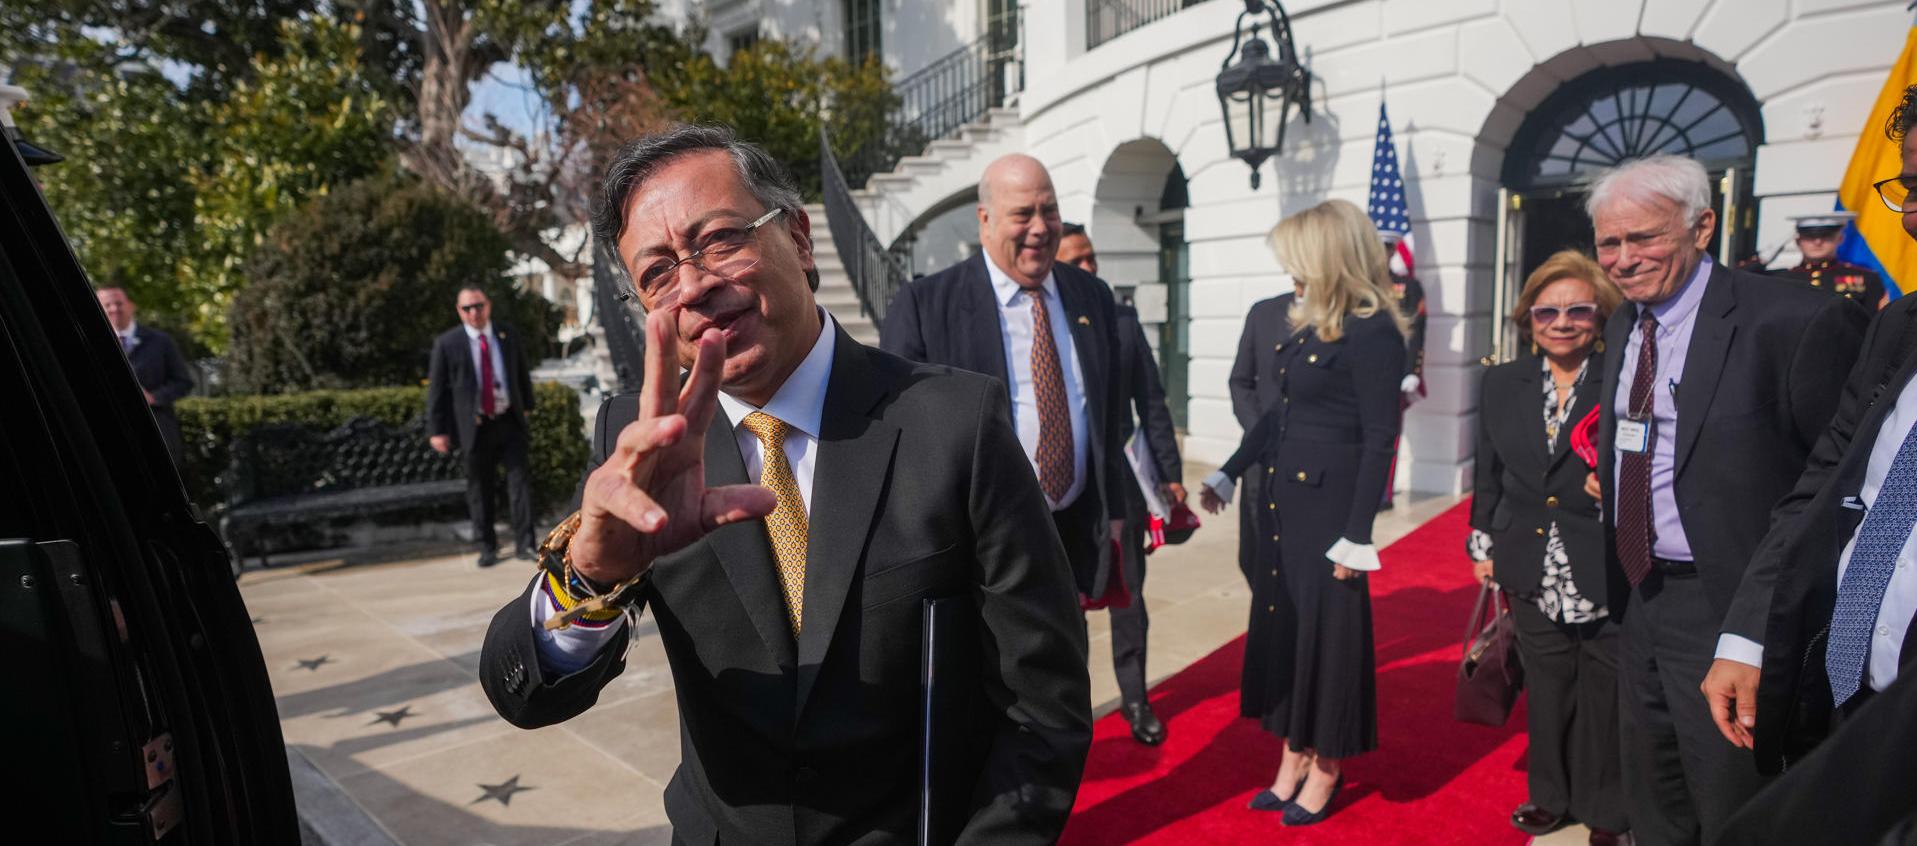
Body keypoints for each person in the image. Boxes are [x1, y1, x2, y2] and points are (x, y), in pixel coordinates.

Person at [476, 125, 1092, 845]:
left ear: (798, 238)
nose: (694, 284)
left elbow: (1042, 706)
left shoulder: (955, 422)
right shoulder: (639, 438)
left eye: (719, 240)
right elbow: (525, 696)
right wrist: (589, 573)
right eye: (658, 273)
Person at [1586, 154, 1869, 845]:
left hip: (1736, 609)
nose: (1623, 259)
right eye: (1608, 243)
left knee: (1736, 808)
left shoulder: (1796, 320)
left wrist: (1764, 629)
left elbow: (1840, 486)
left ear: (1702, 226)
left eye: (1643, 237)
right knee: (1655, 801)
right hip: (1640, 595)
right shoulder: (1625, 323)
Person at [1701, 94, 1917, 843]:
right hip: (1840, 690)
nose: (1911, 215)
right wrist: (1749, 636)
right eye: (1909, 188)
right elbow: (1823, 489)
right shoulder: (1899, 325)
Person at [1197, 198, 1408, 827]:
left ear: (1328, 255)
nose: (1290, 270)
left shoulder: (1372, 331)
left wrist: (1358, 536)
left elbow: (1381, 438)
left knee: (1329, 638)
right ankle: (1293, 749)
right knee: (1288, 631)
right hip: (1283, 502)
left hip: (1331, 512)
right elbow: (1275, 418)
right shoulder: (1306, 324)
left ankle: (1327, 764)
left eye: (1298, 257)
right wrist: (1229, 471)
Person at [880, 155, 1130, 685]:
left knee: (1065, 676)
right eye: (1023, 214)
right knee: (990, 684)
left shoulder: (1091, 295)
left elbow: (1108, 413)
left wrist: (1115, 509)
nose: (1040, 228)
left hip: (1070, 530)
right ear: (985, 219)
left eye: (1050, 211)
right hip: (978, 543)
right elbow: (898, 441)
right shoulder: (926, 304)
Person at [1467, 250, 1628, 845]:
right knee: (1548, 683)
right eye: (1547, 311)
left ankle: (1606, 808)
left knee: (1605, 691)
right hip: (1529, 559)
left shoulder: (1623, 376)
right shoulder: (1500, 381)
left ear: (1600, 315)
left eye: (1578, 310)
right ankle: (1551, 795)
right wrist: (1482, 543)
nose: (1562, 322)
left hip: (1604, 558)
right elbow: (1488, 471)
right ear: (1527, 318)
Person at [1057, 222, 1187, 745]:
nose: (1090, 267)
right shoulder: (1043, 324)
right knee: (1066, 606)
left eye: (1091, 257)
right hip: (1060, 489)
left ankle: (1136, 700)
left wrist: (1171, 476)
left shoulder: (1124, 320)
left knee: (1128, 594)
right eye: (1077, 261)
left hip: (1120, 486)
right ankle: (1072, 707)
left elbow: (1152, 403)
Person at [428, 287, 538, 567]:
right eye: (467, 308)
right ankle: (487, 546)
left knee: (519, 483)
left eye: (478, 306)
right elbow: (437, 391)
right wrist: (437, 430)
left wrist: (527, 405)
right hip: (474, 427)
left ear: (488, 305)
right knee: (480, 488)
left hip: (509, 420)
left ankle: (526, 543)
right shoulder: (448, 343)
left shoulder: (507, 334)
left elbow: (520, 372)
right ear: (459, 311)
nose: (474, 312)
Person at [96, 287, 194, 465]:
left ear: (131, 305)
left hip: (158, 433)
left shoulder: (160, 341)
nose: (114, 309)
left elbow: (183, 382)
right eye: (107, 305)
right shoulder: (92, 343)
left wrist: (154, 397)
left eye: (119, 303)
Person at [1769, 213, 1886, 311]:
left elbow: (1874, 322)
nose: (1818, 242)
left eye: (1826, 236)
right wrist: (1766, 255)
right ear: (1798, 241)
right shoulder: (1780, 279)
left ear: (1840, 239)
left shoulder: (1866, 278)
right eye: (1810, 237)